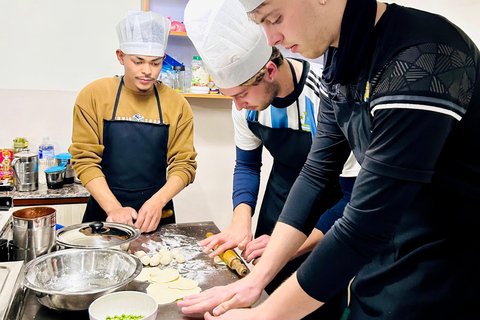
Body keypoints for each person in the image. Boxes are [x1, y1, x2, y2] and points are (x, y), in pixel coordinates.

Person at [178, 0, 480, 319]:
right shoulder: (340, 60)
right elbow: (317, 174)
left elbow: (366, 222)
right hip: (381, 265)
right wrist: (256, 280)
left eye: (275, 18)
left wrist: (263, 316)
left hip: (446, 278)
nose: (270, 40)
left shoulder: (425, 56)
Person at [184, 0, 359, 318]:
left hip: (330, 215)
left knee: (315, 306)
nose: (237, 107)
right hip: (278, 205)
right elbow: (248, 164)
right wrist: (241, 221)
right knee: (264, 295)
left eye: (240, 95)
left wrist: (295, 244)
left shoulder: (324, 98)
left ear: (269, 70)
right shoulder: (245, 107)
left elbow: (351, 196)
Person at [69, 11, 197, 233]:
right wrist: (114, 208)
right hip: (103, 215)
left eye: (155, 63)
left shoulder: (176, 104)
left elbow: (184, 164)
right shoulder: (94, 96)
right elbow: (84, 159)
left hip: (157, 217)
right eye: (138, 61)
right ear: (120, 56)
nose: (147, 71)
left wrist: (157, 203)